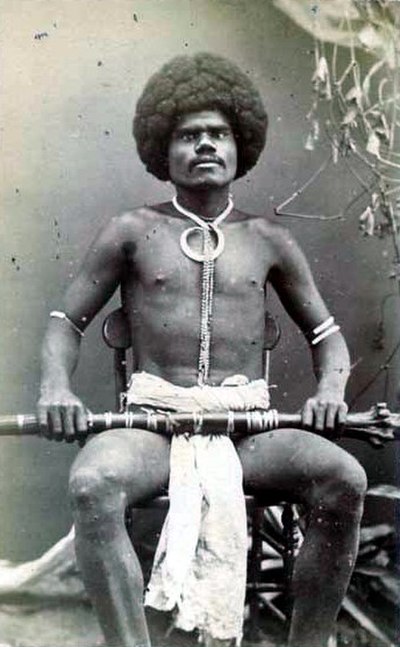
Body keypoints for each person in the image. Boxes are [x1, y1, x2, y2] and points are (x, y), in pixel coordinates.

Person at [37, 52, 367, 647]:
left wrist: (330, 390)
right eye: (189, 136)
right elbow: (65, 322)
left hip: (247, 428)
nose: (205, 145)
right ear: (164, 152)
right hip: (153, 426)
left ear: (241, 147)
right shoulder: (130, 230)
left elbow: (329, 338)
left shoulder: (270, 239)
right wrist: (55, 388)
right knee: (92, 483)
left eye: (218, 133)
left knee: (344, 477)